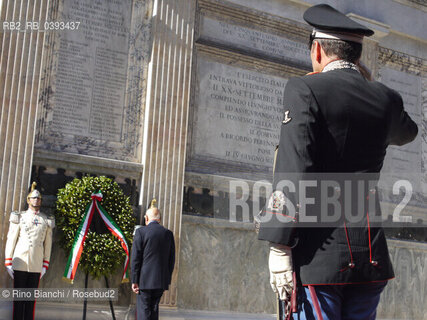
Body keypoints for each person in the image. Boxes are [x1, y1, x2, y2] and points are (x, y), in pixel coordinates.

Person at [257, 4, 418, 320]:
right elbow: (408, 132)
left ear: (317, 49)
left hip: (319, 257)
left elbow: (294, 168)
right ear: (358, 55)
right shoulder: (385, 98)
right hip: (370, 258)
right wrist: (367, 82)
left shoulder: (305, 89)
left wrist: (279, 245)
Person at [4, 182, 55, 320]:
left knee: (30, 301)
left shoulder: (46, 220)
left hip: (36, 265)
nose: (36, 200)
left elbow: (48, 244)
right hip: (20, 263)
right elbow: (11, 239)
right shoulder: (19, 217)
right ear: (28, 200)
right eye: (34, 198)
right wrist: (8, 261)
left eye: (38, 198)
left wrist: (45, 263)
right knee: (19, 300)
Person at [131, 200, 175, 320]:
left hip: (144, 281)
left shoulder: (141, 232)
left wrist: (134, 280)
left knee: (144, 311)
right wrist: (166, 279)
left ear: (146, 218)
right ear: (159, 219)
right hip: (160, 281)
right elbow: (171, 260)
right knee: (154, 310)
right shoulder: (168, 234)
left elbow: (135, 258)